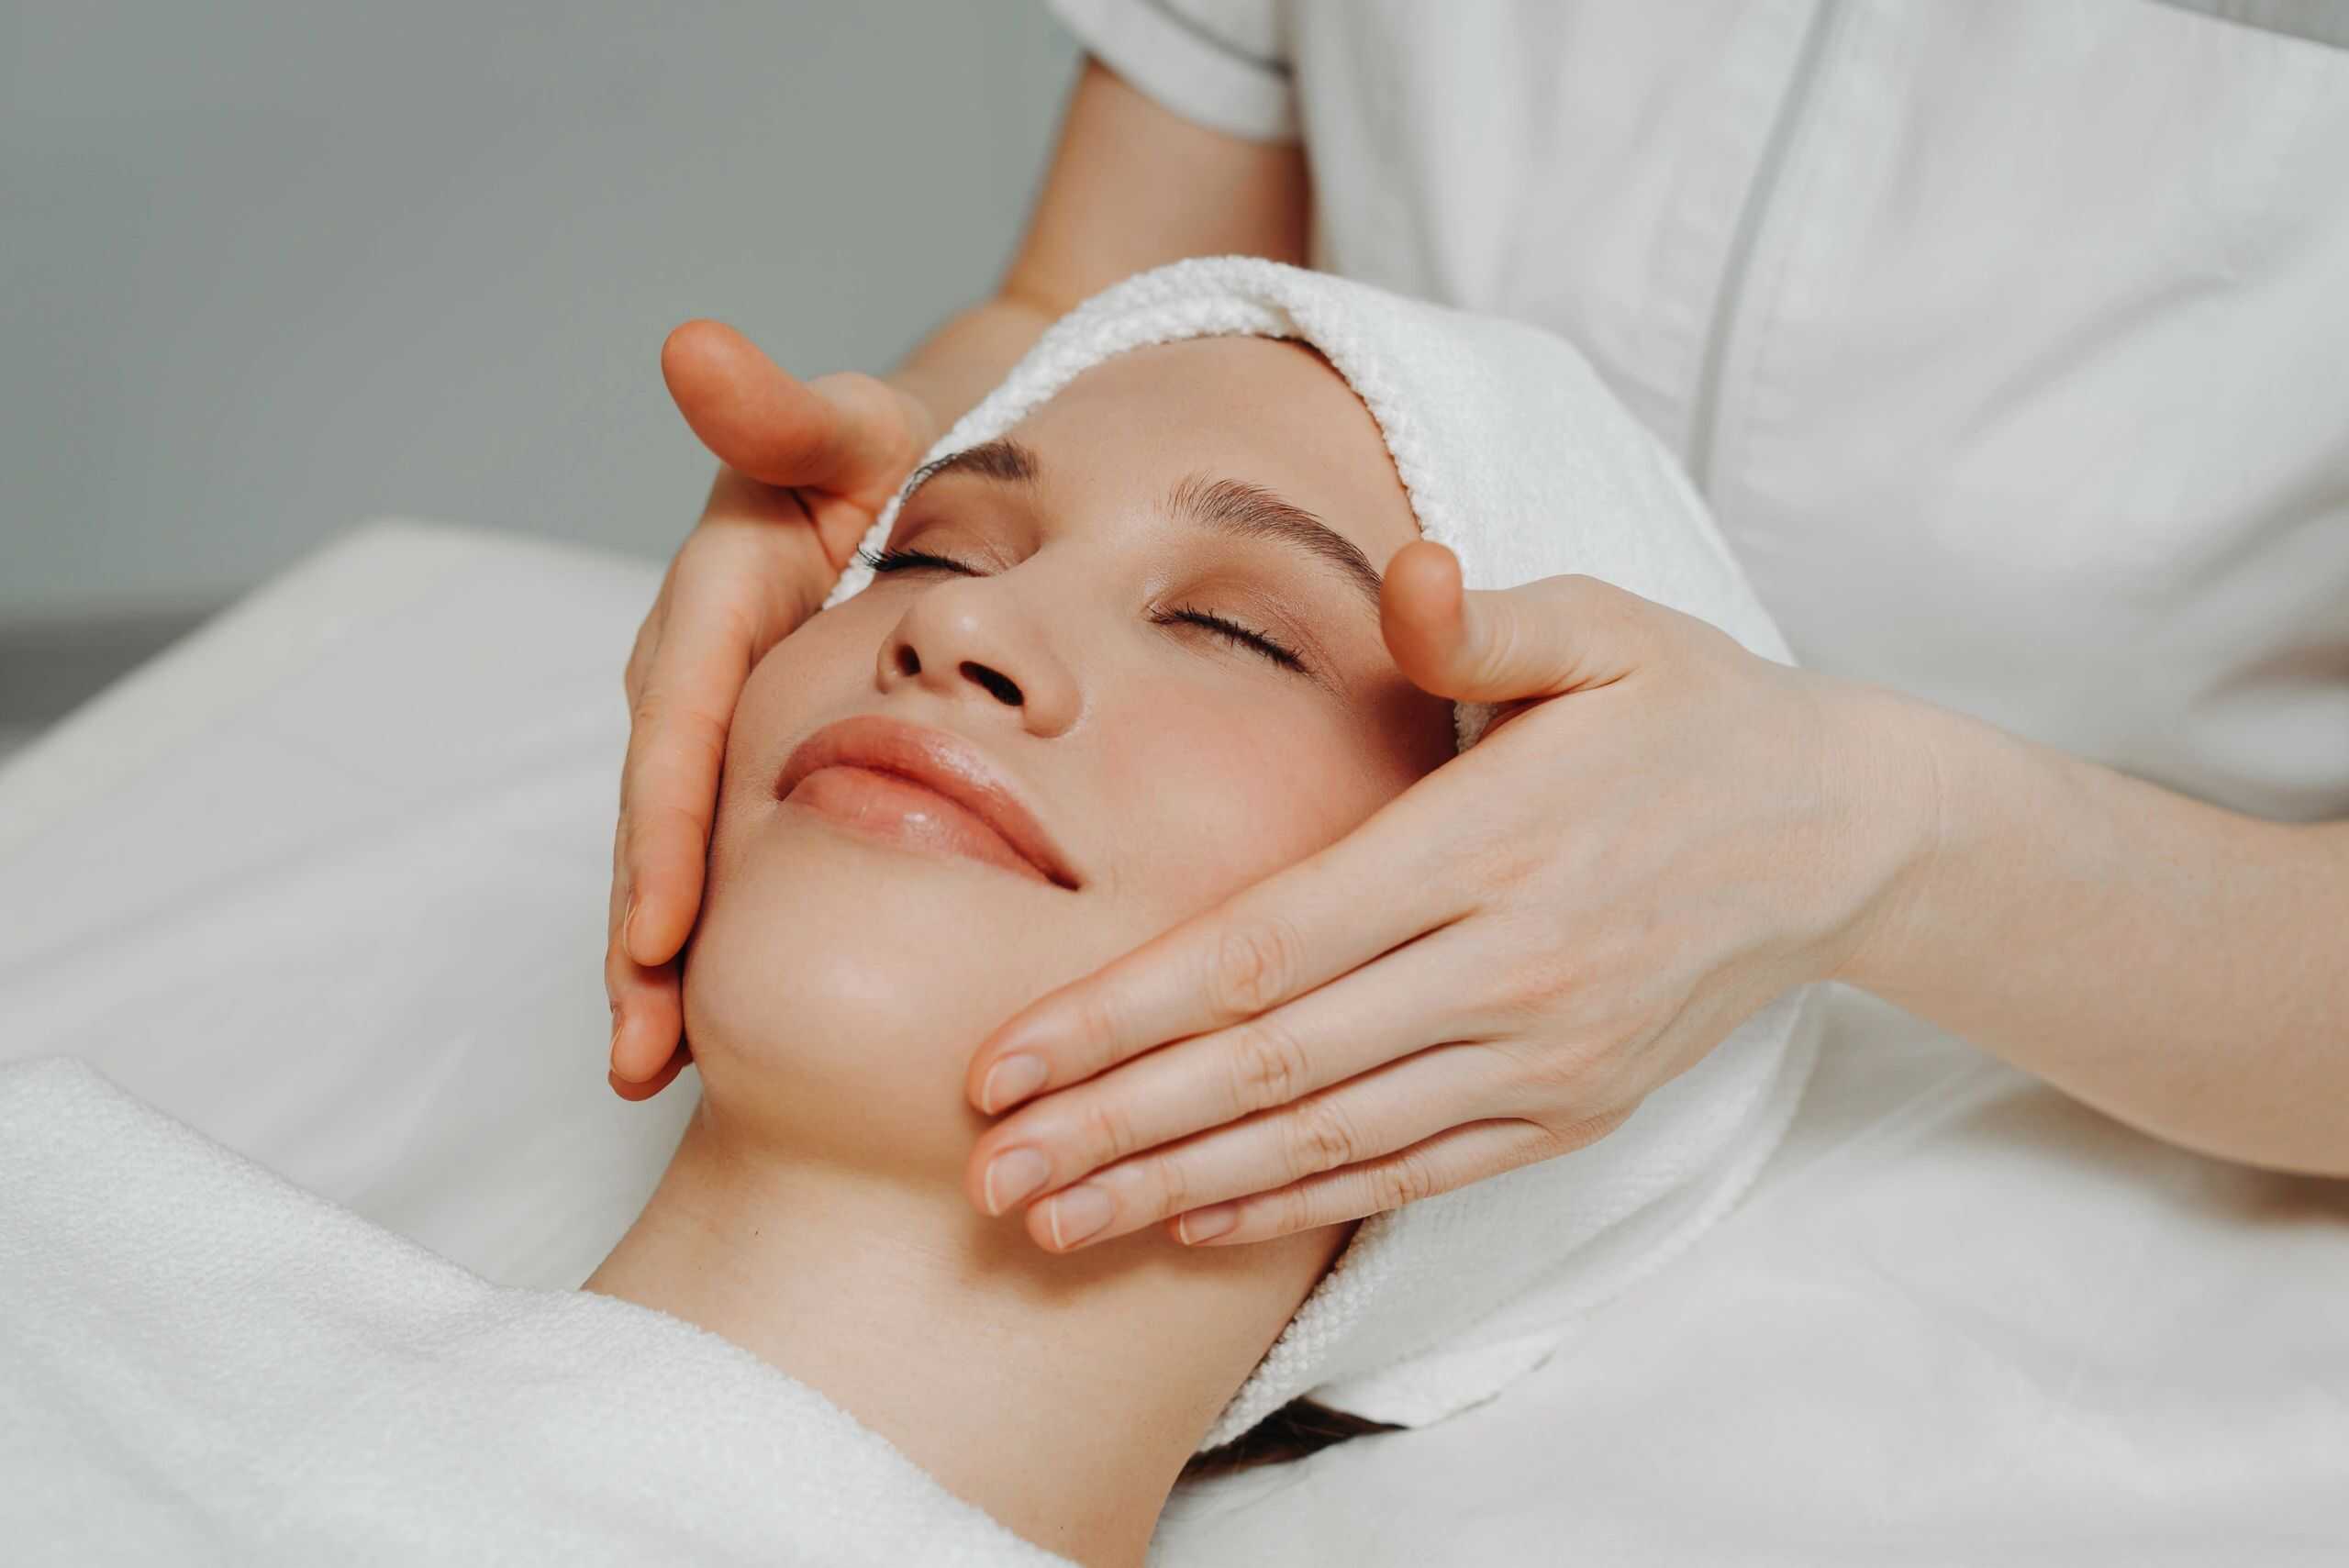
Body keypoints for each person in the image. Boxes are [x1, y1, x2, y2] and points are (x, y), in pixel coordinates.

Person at [608, 6, 2349, 1262]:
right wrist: (909, 463)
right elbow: (1090, 309)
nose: (960, 626)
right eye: (933, 557)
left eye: (1233, 629)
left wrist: (1889, 841)